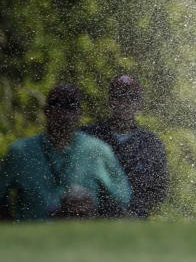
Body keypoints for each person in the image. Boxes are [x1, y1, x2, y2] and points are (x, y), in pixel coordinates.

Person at [0, 83, 131, 221]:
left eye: (71, 107)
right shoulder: (20, 152)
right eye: (57, 106)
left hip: (85, 239)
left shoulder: (97, 150)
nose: (64, 113)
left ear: (80, 114)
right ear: (46, 111)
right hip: (31, 239)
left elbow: (123, 199)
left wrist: (91, 208)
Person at [82, 74, 168, 218]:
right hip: (94, 223)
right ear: (110, 101)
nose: (125, 102)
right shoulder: (89, 137)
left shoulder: (151, 143)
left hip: (135, 225)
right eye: (119, 96)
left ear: (139, 103)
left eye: (131, 97)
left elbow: (159, 191)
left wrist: (134, 210)